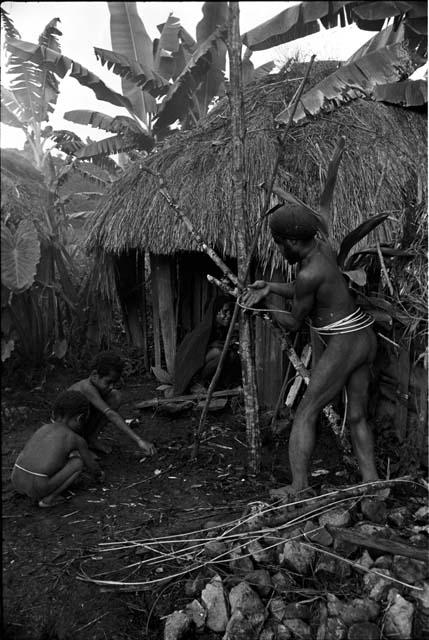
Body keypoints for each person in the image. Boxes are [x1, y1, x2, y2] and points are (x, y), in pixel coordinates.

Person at [243, 202, 381, 499]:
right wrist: (270, 286)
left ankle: (298, 486)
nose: (280, 251)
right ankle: (372, 485)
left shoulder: (308, 273)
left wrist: (264, 304)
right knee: (356, 416)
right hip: (363, 336)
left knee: (306, 412)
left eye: (280, 245)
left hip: (345, 343)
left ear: (292, 242)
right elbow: (305, 288)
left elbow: (293, 322)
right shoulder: (322, 249)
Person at [11, 391, 105, 508]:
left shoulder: (44, 428)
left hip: (16, 480)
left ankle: (32, 487)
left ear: (54, 413)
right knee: (77, 462)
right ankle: (48, 500)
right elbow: (91, 465)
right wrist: (99, 474)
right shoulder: (75, 438)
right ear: (80, 418)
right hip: (38, 487)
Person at [68, 351, 155, 457]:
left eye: (114, 383)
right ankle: (78, 448)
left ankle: (91, 439)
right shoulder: (87, 388)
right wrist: (139, 440)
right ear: (94, 375)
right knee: (88, 410)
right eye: (108, 382)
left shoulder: (98, 388)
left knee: (115, 396)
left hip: (81, 424)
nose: (112, 386)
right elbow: (110, 414)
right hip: (67, 430)